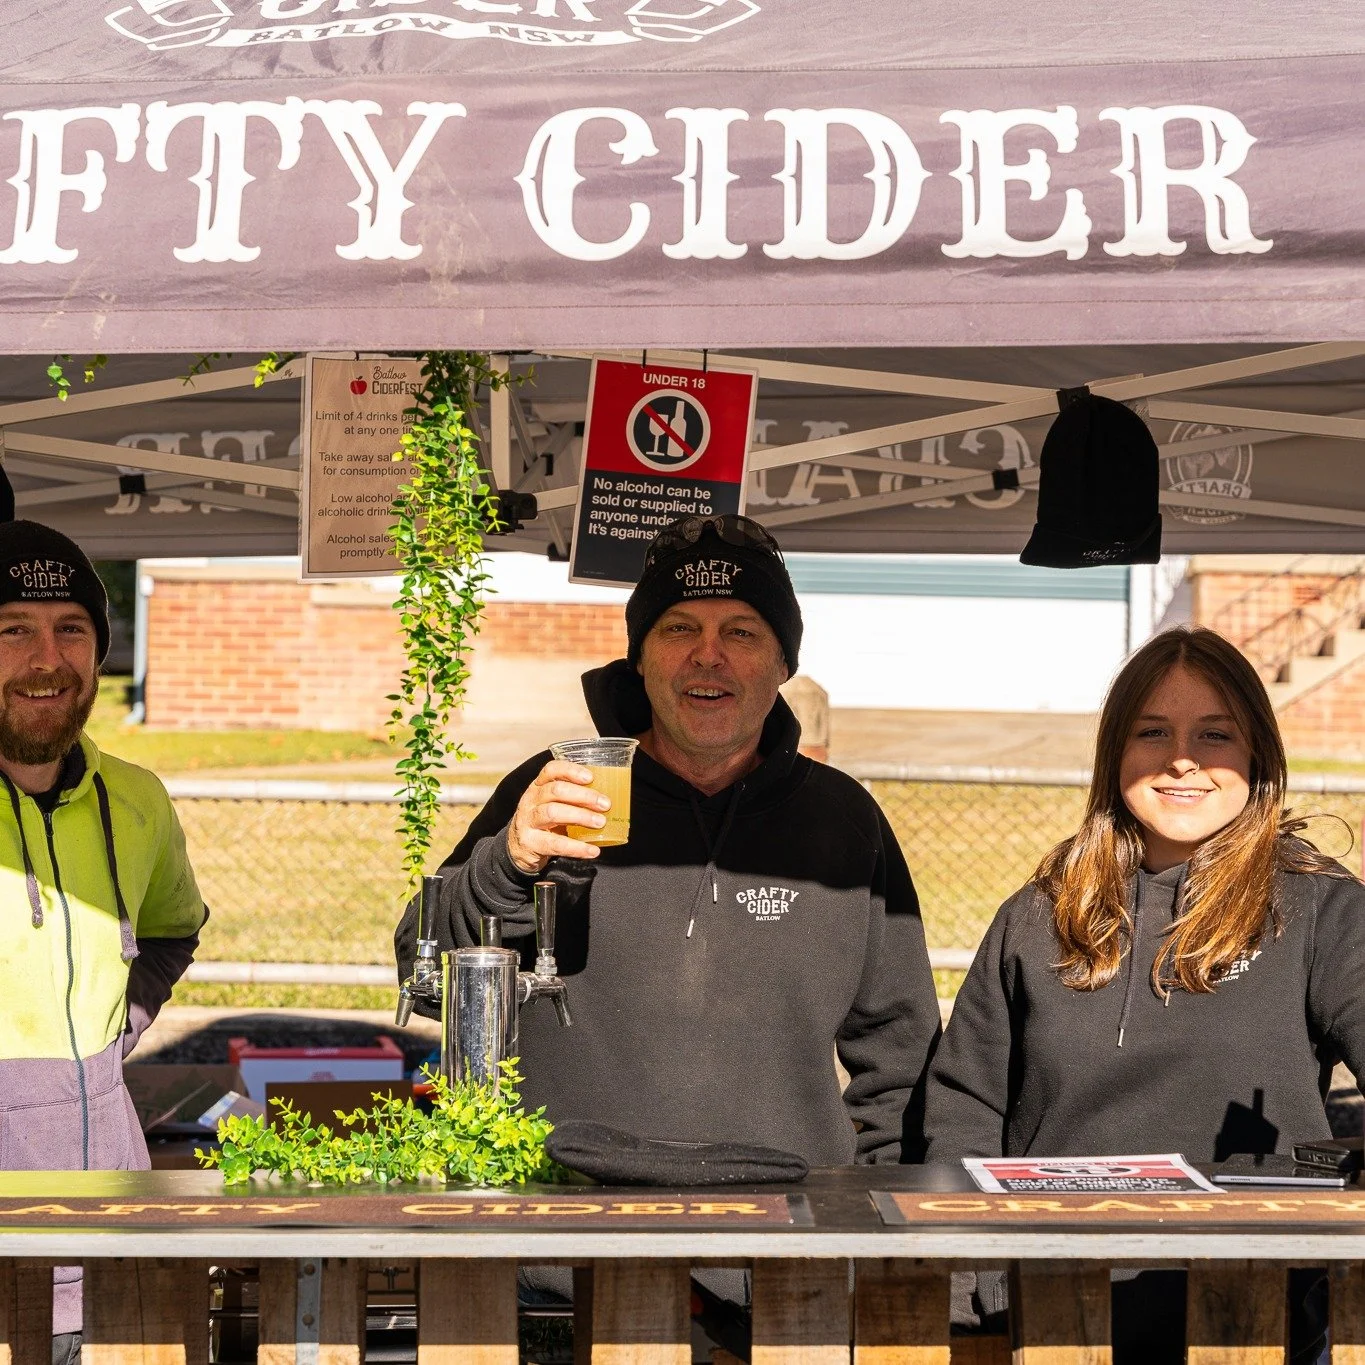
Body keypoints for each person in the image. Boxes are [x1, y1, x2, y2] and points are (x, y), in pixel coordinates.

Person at [395, 513, 940, 1166]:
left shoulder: (842, 817)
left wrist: (868, 1209)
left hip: (782, 1240)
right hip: (571, 1226)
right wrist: (503, 868)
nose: (707, 655)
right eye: (679, 627)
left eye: (740, 631)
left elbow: (899, 1056)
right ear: (641, 657)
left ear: (782, 662)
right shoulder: (554, 792)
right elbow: (422, 975)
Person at [923, 625, 1363, 1362]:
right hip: (1058, 1318)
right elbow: (963, 1110)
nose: (1181, 758)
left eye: (1213, 734)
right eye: (1151, 731)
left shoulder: (1317, 906)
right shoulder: (1038, 913)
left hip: (1250, 1320)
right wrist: (978, 1284)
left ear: (1255, 752)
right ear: (1114, 754)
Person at [0, 513, 208, 1361]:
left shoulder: (139, 798)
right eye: (12, 629)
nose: (45, 659)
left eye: (71, 629)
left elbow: (172, 928)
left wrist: (113, 1030)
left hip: (105, 1249)